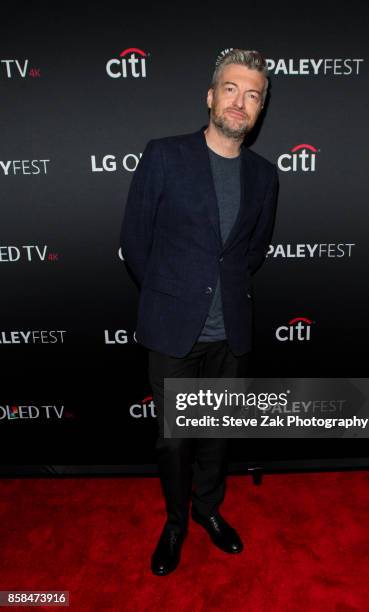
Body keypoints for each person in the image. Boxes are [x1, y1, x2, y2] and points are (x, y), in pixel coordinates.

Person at [120, 49, 279, 576]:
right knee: (173, 440)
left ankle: (208, 511)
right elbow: (135, 242)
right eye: (231, 89)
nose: (240, 102)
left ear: (259, 110)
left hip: (230, 331)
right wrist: (174, 296)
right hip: (173, 331)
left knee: (217, 435)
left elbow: (253, 252)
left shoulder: (264, 176)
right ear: (211, 97)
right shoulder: (164, 155)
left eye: (252, 94)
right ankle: (174, 523)